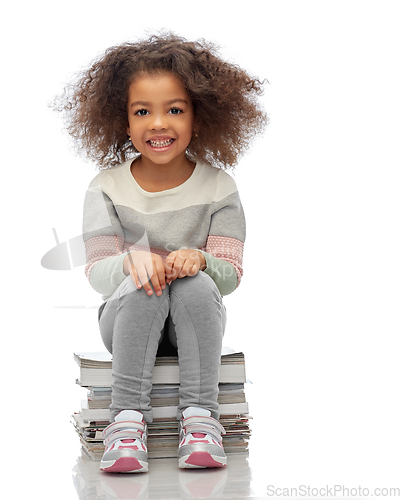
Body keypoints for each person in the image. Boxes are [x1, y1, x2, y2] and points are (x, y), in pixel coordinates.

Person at [52, 33, 267, 473]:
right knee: (145, 285)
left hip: (195, 321)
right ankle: (127, 422)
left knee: (195, 282)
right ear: (123, 122)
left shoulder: (220, 188)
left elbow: (231, 274)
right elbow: (96, 272)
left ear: (198, 117)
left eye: (174, 109)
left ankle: (201, 420)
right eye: (142, 111)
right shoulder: (105, 188)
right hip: (128, 318)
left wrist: (202, 259)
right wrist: (132, 261)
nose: (158, 123)